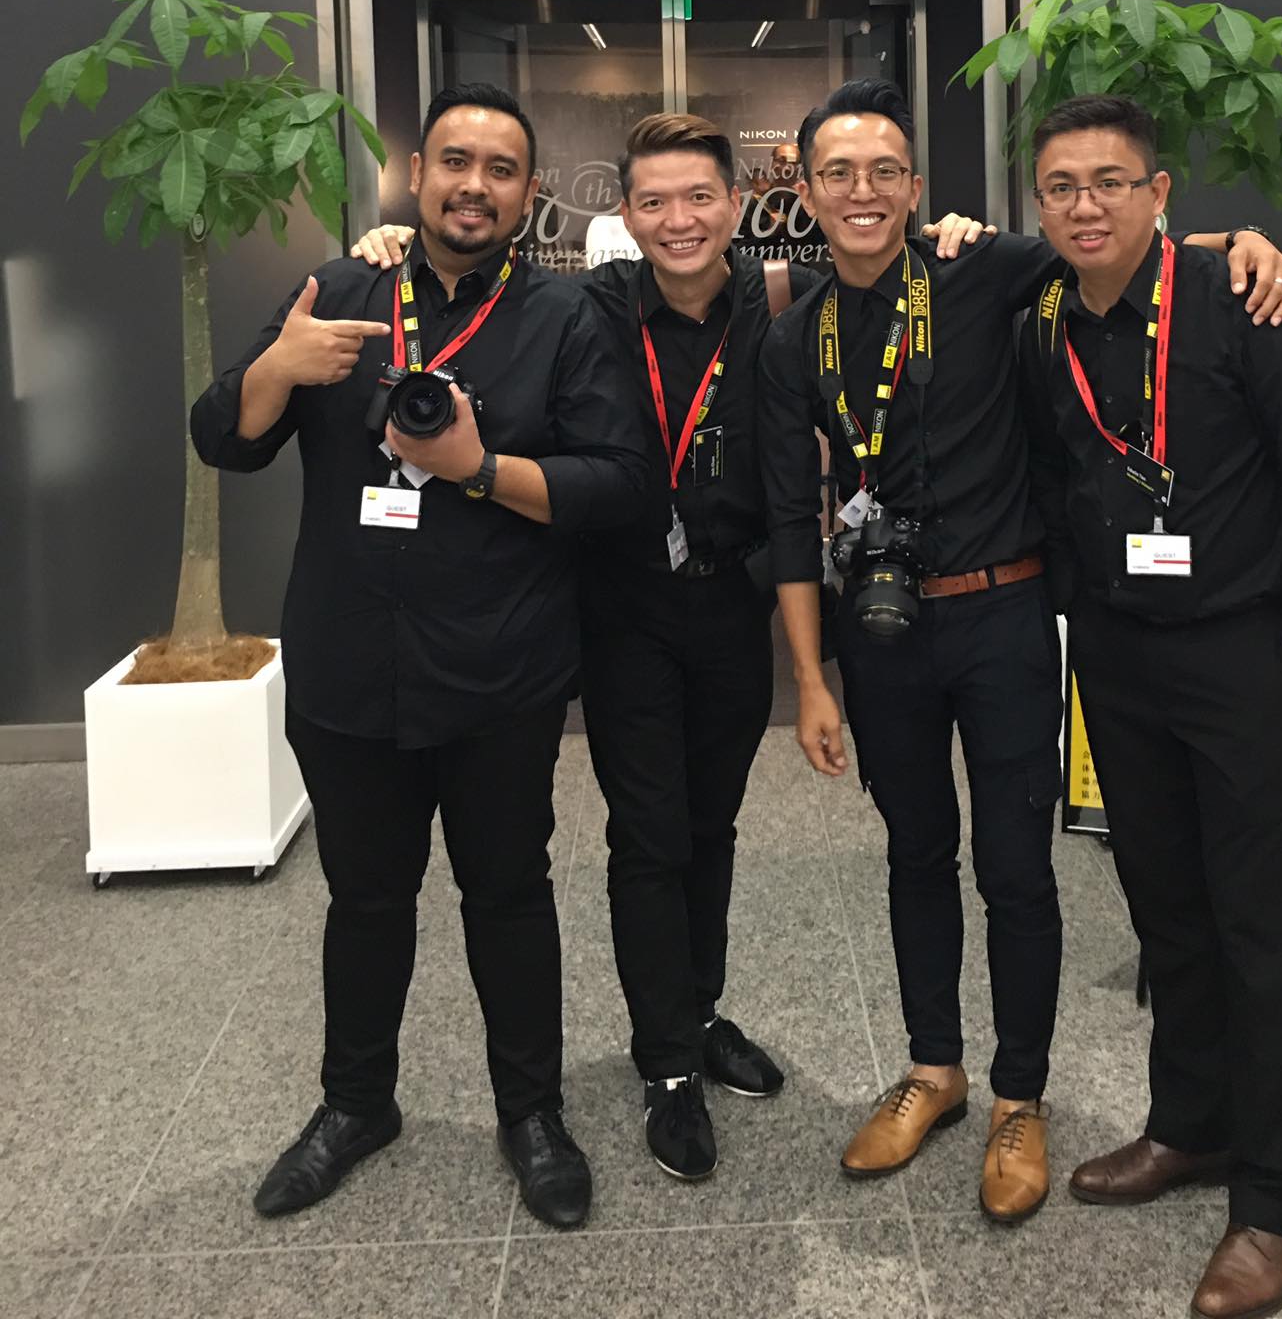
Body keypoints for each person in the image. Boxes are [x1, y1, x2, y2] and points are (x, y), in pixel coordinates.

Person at [351, 111, 991, 1183]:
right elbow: (467, 280)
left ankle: (698, 1010)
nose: (679, 219)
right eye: (654, 201)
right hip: (624, 607)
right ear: (625, 214)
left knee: (713, 825)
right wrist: (384, 243)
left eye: (700, 197)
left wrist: (956, 234)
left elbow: (900, 282)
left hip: (734, 603)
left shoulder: (783, 303)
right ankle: (666, 1066)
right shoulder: (587, 306)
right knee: (649, 837)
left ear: (737, 206)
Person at [756, 77, 1282, 1227]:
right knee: (915, 853)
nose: (862, 191)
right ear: (804, 192)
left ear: (916, 185)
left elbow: (1118, 242)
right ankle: (934, 1067)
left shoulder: (982, 269)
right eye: (838, 173)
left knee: (1014, 865)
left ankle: (1019, 1094)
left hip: (1002, 619)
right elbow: (786, 522)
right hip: (880, 632)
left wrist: (1244, 241)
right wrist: (809, 679)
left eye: (885, 170)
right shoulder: (794, 332)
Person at [190, 84, 649, 1231]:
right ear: (417, 174)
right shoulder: (339, 295)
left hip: (500, 670)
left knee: (509, 893)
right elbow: (220, 437)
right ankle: (356, 1104)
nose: (473, 185)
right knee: (365, 898)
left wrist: (476, 468)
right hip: (348, 666)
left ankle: (532, 1113)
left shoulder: (565, 315)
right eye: (455, 160)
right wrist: (280, 365)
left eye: (500, 167)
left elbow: (617, 484)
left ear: (529, 193)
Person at [1018, 94, 1282, 1319]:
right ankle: (1191, 1124)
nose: (1086, 205)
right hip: (1119, 656)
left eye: (1110, 181)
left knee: (1266, 925)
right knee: (1168, 904)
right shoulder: (1046, 320)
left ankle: (1276, 1200)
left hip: (1245, 653)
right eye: (1062, 185)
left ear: (1160, 192)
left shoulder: (1244, 299)